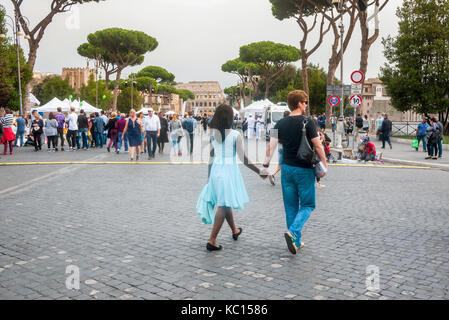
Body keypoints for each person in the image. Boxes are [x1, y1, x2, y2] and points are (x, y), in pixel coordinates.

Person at [262, 90, 327, 255]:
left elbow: (271, 146)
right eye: (305, 102)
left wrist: (265, 165)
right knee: (308, 204)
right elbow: (318, 146)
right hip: (304, 169)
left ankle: (296, 242)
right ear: (299, 103)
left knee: (290, 206)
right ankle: (293, 232)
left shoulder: (279, 123)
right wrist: (324, 165)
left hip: (287, 169)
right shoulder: (308, 122)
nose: (306, 105)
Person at [196, 104, 266, 251]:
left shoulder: (214, 134)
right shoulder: (235, 135)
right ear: (230, 118)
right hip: (228, 172)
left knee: (225, 201)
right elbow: (243, 158)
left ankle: (234, 230)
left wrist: (209, 176)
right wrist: (259, 171)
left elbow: (211, 156)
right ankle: (212, 240)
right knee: (224, 205)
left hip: (216, 170)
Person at [269, 110, 291, 185]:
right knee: (286, 164)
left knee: (281, 164)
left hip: (280, 147)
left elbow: (273, 135)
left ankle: (273, 174)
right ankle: (275, 175)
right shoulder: (289, 124)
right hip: (287, 147)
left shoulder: (278, 123)